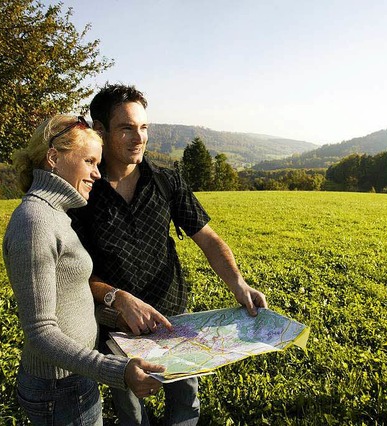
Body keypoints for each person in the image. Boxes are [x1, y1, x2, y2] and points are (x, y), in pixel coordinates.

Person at [68, 84, 268, 426]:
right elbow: (75, 274)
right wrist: (118, 299)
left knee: (185, 403)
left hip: (174, 319)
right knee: (132, 413)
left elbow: (207, 238)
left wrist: (239, 284)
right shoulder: (83, 193)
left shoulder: (166, 182)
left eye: (144, 127)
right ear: (99, 130)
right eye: (127, 128)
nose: (139, 138)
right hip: (118, 329)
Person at [3, 114, 166, 426]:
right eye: (90, 162)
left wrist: (119, 313)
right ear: (53, 157)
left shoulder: (56, 214)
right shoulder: (36, 221)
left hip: (73, 379)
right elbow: (39, 332)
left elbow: (70, 299)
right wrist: (117, 371)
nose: (97, 174)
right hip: (60, 389)